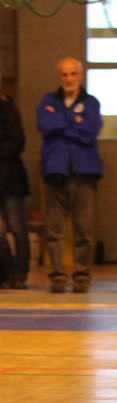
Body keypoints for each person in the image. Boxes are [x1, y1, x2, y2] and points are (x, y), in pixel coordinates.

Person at [36, 57, 103, 293]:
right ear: (59, 77)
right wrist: (74, 121)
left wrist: (61, 122)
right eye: (64, 74)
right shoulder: (48, 101)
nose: (69, 79)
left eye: (73, 74)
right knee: (54, 230)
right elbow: (45, 125)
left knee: (84, 230)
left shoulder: (91, 103)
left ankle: (82, 276)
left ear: (80, 76)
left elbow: (89, 132)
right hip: (55, 171)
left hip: (84, 172)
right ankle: (57, 277)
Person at [0, 76, 31, 289]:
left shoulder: (9, 110)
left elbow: (18, 143)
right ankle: (7, 270)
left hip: (11, 179)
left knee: (17, 227)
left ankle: (20, 273)